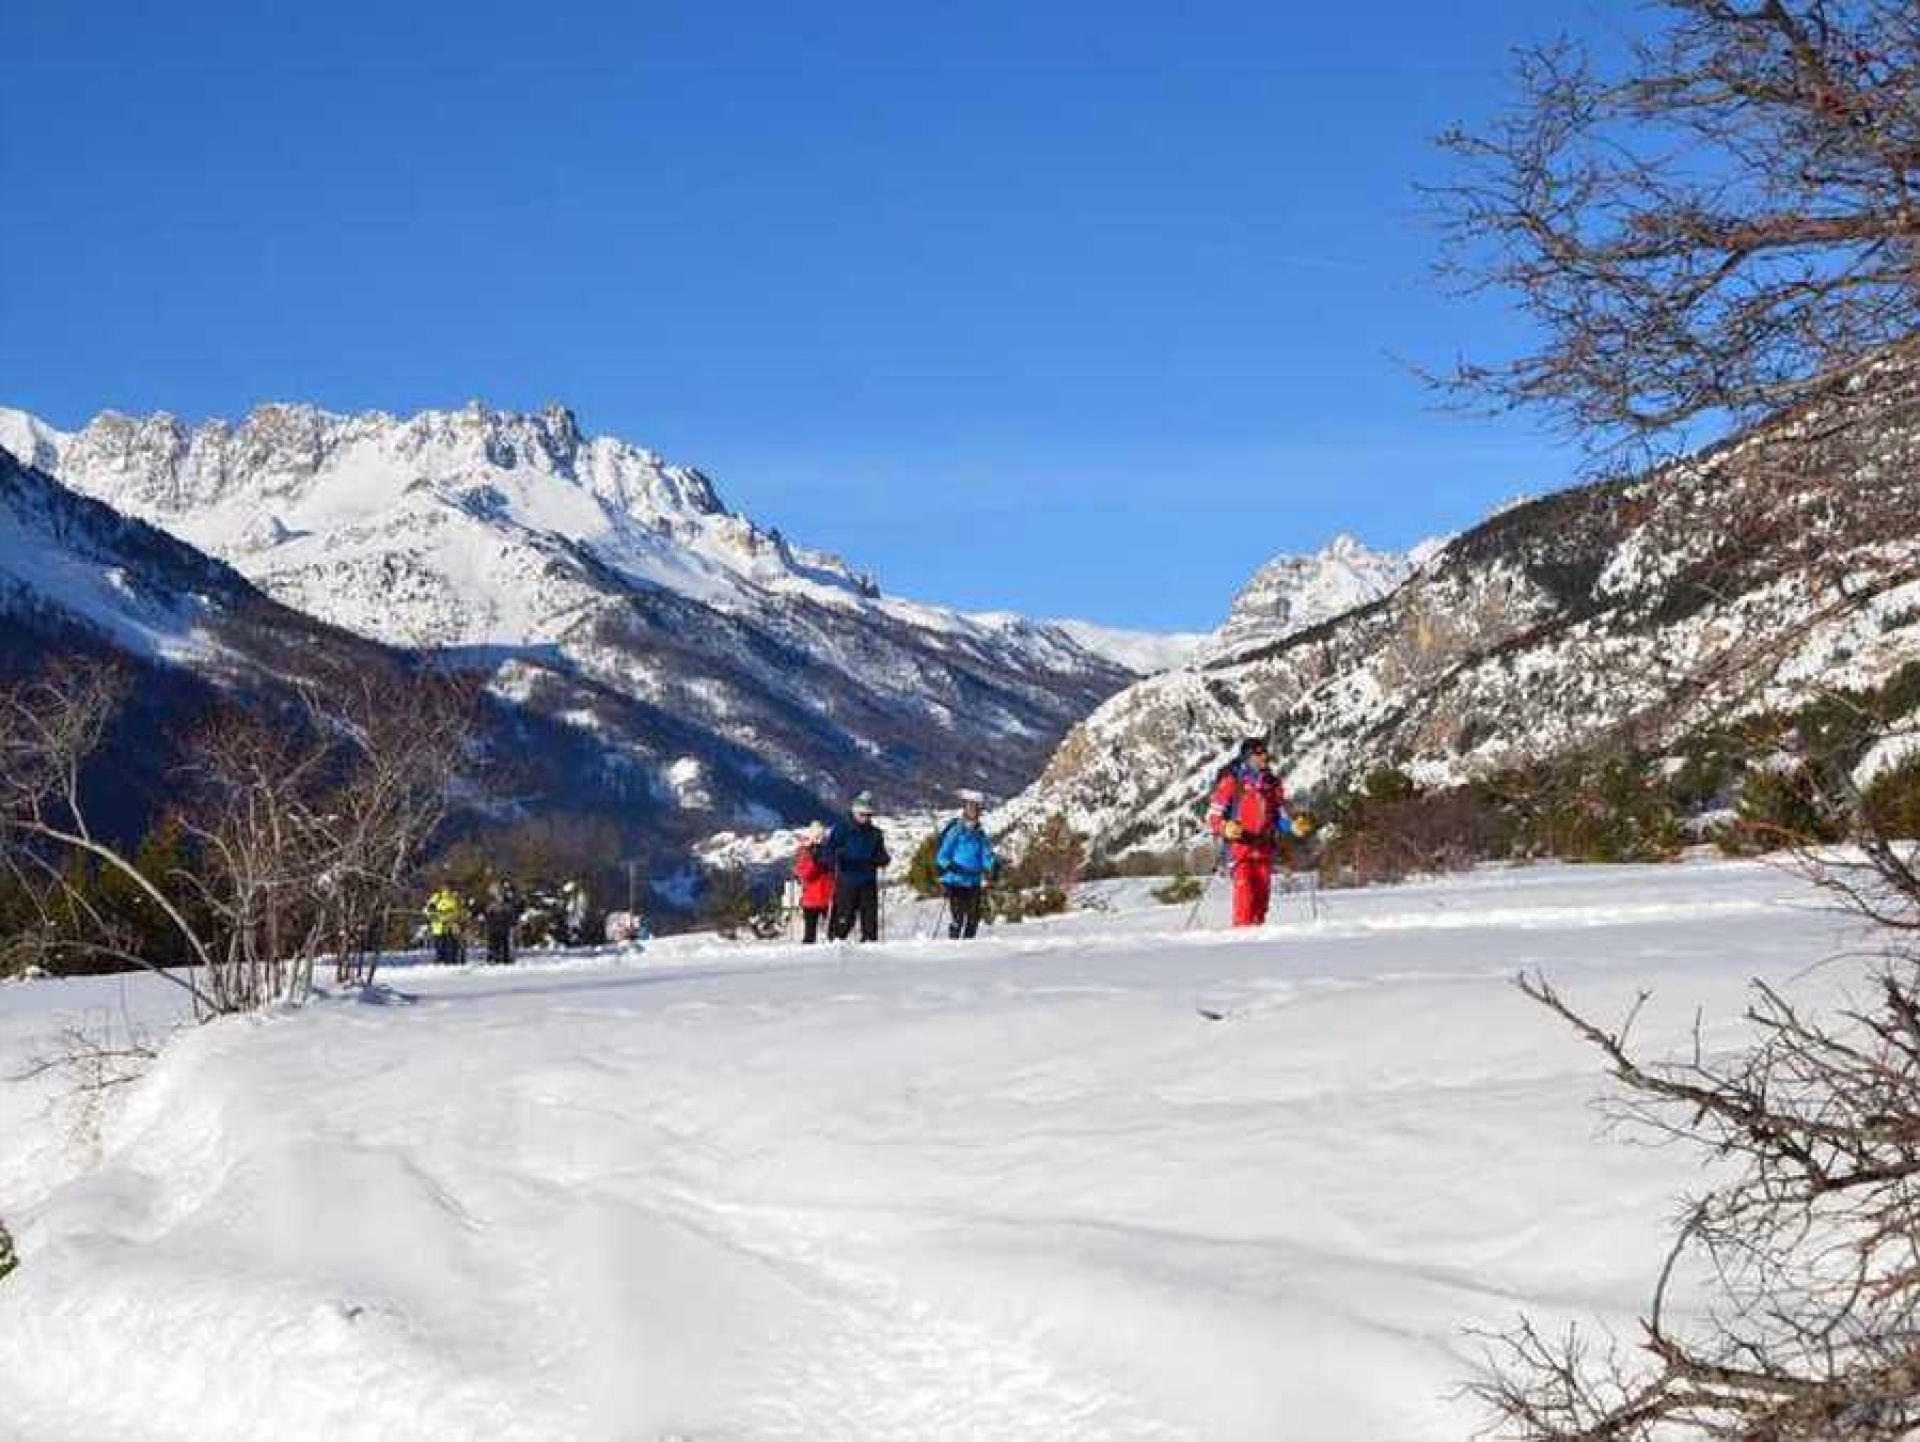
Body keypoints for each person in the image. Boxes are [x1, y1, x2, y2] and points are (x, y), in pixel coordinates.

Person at [1207, 737, 1309, 927]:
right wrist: (1225, 827)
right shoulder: (1231, 782)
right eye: (1259, 753)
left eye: (1265, 752)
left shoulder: (1272, 785)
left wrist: (1293, 826)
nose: (1265, 756)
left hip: (1264, 849)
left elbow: (1278, 818)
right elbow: (1212, 817)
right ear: (1247, 756)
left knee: (1261, 904)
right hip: (1239, 850)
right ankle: (1241, 941)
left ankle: (1256, 941)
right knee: (1245, 900)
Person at [824, 792, 890, 942]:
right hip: (847, 881)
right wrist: (838, 857)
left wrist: (882, 859)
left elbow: (881, 853)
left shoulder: (875, 833)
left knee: (870, 922)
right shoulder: (842, 829)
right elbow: (829, 851)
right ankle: (835, 943)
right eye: (862, 814)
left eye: (869, 815)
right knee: (844, 920)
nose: (865, 818)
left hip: (868, 881)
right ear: (854, 812)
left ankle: (870, 946)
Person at [935, 800, 996, 939]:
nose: (973, 820)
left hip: (974, 881)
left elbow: (986, 856)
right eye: (970, 816)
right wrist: (951, 866)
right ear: (965, 815)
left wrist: (992, 866)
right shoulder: (955, 832)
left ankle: (968, 945)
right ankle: (954, 943)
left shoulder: (980, 835)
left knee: (973, 918)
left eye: (975, 816)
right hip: (955, 881)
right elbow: (942, 856)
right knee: (958, 917)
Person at [793, 821, 836, 944]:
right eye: (817, 837)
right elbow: (804, 874)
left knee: (832, 936)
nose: (819, 840)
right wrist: (814, 862)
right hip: (811, 900)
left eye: (821, 837)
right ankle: (808, 955)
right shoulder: (805, 852)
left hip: (828, 898)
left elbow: (837, 872)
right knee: (809, 936)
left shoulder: (830, 852)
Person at [424, 884, 467, 965]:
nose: (447, 889)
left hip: (451, 926)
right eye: (445, 887)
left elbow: (461, 911)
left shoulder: (455, 897)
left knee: (451, 946)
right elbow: (427, 910)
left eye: (448, 887)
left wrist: (458, 919)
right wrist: (433, 913)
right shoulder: (437, 897)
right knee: (441, 946)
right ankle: (443, 961)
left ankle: (450, 961)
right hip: (439, 927)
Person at [484, 878, 522, 965]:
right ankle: (493, 958)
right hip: (494, 926)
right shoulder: (492, 903)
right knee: (494, 943)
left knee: (504, 942)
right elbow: (488, 914)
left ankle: (505, 958)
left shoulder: (507, 903)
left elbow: (511, 912)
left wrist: (513, 922)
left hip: (504, 926)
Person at [561, 880, 590, 946]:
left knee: (574, 925)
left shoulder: (579, 895)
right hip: (574, 916)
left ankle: (576, 939)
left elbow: (581, 905)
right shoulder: (576, 895)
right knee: (573, 925)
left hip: (576, 915)